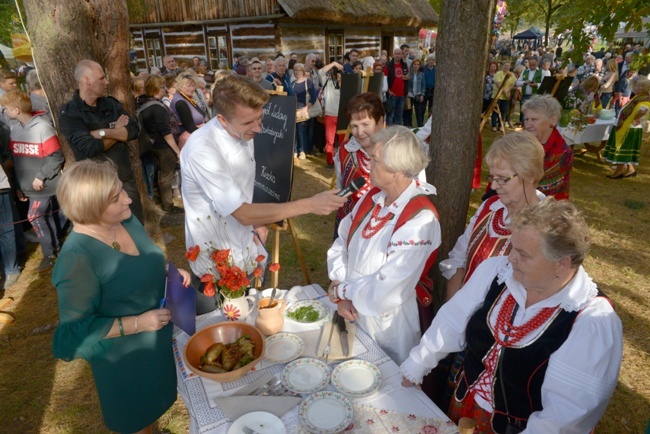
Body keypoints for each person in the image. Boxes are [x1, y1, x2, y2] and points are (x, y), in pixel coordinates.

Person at [401, 199, 623, 434]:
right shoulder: (497, 272)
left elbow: (564, 418)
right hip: (465, 406)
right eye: (513, 247)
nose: (510, 258)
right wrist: (417, 364)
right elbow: (450, 321)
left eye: (523, 254)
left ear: (562, 264)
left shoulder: (592, 321)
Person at [181, 75, 346, 314]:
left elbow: (242, 189)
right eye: (249, 122)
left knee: (252, 320)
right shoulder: (202, 149)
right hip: (215, 265)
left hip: (246, 248)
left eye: (260, 118)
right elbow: (241, 212)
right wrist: (310, 204)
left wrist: (257, 224)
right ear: (222, 120)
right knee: (223, 330)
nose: (258, 128)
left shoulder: (243, 130)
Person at [52, 160, 192, 434]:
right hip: (124, 360)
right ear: (91, 207)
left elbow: (141, 262)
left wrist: (168, 272)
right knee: (135, 418)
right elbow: (72, 333)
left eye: (122, 190)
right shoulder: (76, 259)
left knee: (156, 403)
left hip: (156, 343)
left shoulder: (124, 219)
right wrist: (138, 323)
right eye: (116, 198)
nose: (129, 199)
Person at [327, 126, 441, 364]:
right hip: (352, 310)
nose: (368, 164)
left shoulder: (420, 219)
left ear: (397, 170)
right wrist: (341, 283)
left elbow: (387, 289)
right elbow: (342, 242)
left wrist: (342, 291)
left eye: (375, 160)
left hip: (387, 323)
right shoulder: (373, 197)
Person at [441, 131, 545, 300]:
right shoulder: (489, 207)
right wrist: (454, 309)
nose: (494, 185)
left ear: (530, 176)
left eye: (503, 178)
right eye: (493, 177)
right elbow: (457, 260)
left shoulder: (547, 224)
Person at [59, 59, 143, 221]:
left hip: (124, 180)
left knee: (135, 228)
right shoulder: (70, 113)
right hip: (96, 187)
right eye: (102, 78)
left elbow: (133, 130)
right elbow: (89, 148)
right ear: (87, 81)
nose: (107, 82)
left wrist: (103, 132)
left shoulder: (111, 104)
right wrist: (118, 132)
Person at [1, 90, 65, 273]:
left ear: (16, 109)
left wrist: (41, 176)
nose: (4, 112)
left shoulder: (43, 128)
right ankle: (54, 247)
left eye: (6, 108)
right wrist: (19, 186)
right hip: (28, 186)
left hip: (43, 186)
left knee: (34, 217)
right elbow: (17, 160)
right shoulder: (15, 130)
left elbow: (56, 157)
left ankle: (49, 255)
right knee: (44, 217)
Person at [334, 93, 385, 233]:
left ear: (380, 122)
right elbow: (340, 186)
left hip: (383, 228)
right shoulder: (345, 151)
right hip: (349, 224)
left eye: (365, 124)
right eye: (354, 126)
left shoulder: (395, 151)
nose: (360, 132)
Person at [140, 74, 183, 214]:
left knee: (161, 175)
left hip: (152, 145)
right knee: (166, 177)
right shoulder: (157, 108)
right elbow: (166, 132)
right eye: (163, 87)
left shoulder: (144, 104)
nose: (165, 89)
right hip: (163, 147)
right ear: (156, 88)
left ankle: (165, 202)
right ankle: (168, 206)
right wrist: (177, 151)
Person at [522, 94, 574, 200]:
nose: (528, 125)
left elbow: (547, 194)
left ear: (553, 121)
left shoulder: (562, 153)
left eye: (534, 119)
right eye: (526, 119)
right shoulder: (522, 142)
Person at [602, 78, 650, 179]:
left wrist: (633, 118)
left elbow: (643, 111)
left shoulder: (644, 99)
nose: (636, 88)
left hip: (630, 128)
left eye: (639, 86)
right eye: (636, 86)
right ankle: (630, 169)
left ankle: (618, 172)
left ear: (644, 89)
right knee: (624, 148)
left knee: (623, 148)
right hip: (627, 126)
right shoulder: (638, 98)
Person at [170, 73, 207, 147]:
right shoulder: (180, 102)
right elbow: (190, 127)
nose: (192, 88)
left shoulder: (187, 97)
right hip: (190, 140)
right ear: (180, 86)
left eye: (193, 86)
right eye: (188, 86)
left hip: (195, 137)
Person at [318, 61, 343, 169]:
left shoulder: (346, 83)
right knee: (330, 140)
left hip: (342, 115)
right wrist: (333, 64)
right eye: (334, 70)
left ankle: (343, 161)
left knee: (343, 141)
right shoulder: (327, 81)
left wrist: (341, 79)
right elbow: (320, 72)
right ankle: (330, 162)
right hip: (330, 115)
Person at [293, 62, 318, 159]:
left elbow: (313, 97)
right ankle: (295, 151)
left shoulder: (308, 82)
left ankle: (302, 151)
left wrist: (306, 107)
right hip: (294, 111)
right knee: (295, 132)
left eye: (299, 70)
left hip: (303, 110)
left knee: (301, 131)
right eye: (295, 70)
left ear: (303, 71)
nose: (297, 72)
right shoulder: (293, 83)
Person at [384, 48, 410, 126]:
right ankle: (389, 132)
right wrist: (388, 91)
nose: (397, 55)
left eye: (399, 54)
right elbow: (385, 79)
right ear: (393, 55)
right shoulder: (388, 66)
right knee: (390, 115)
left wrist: (407, 77)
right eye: (396, 53)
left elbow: (408, 76)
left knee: (399, 115)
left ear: (402, 55)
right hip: (392, 94)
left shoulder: (404, 65)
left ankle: (397, 133)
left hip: (402, 94)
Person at [516, 57, 542, 128]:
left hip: (536, 96)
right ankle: (524, 127)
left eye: (534, 65)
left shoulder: (541, 72)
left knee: (535, 113)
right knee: (525, 113)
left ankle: (533, 128)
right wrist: (524, 82)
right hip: (525, 95)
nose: (532, 66)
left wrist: (537, 85)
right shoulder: (525, 71)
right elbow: (517, 83)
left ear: (537, 64)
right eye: (531, 65)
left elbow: (544, 84)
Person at [492, 62, 515, 131]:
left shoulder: (511, 74)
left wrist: (507, 91)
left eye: (508, 66)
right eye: (505, 65)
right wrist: (504, 91)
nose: (506, 67)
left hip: (506, 97)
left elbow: (513, 84)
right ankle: (493, 125)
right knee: (495, 111)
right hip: (497, 96)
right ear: (502, 66)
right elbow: (498, 83)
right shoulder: (498, 73)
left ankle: (500, 125)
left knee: (503, 111)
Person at [409, 59, 426, 127]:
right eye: (415, 64)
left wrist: (422, 95)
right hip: (410, 95)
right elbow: (407, 85)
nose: (416, 66)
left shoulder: (421, 75)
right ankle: (409, 126)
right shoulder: (409, 74)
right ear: (412, 65)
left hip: (418, 95)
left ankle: (420, 127)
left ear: (419, 66)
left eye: (417, 64)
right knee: (409, 112)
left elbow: (423, 85)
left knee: (419, 112)